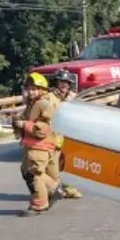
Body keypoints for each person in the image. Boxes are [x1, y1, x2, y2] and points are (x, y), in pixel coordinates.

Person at [13, 72, 60, 216]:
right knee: (30, 172)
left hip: (41, 145)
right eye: (29, 89)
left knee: (35, 174)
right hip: (37, 145)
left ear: (42, 89)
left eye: (34, 89)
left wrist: (23, 124)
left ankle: (40, 203)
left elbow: (43, 129)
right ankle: (53, 190)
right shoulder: (35, 103)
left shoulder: (43, 104)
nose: (31, 92)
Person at [47, 69, 82, 199]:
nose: (64, 85)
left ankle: (69, 188)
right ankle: (52, 188)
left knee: (69, 163)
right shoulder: (50, 97)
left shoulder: (73, 96)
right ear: (56, 82)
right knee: (54, 164)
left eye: (66, 82)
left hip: (70, 134)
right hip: (54, 134)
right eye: (61, 82)